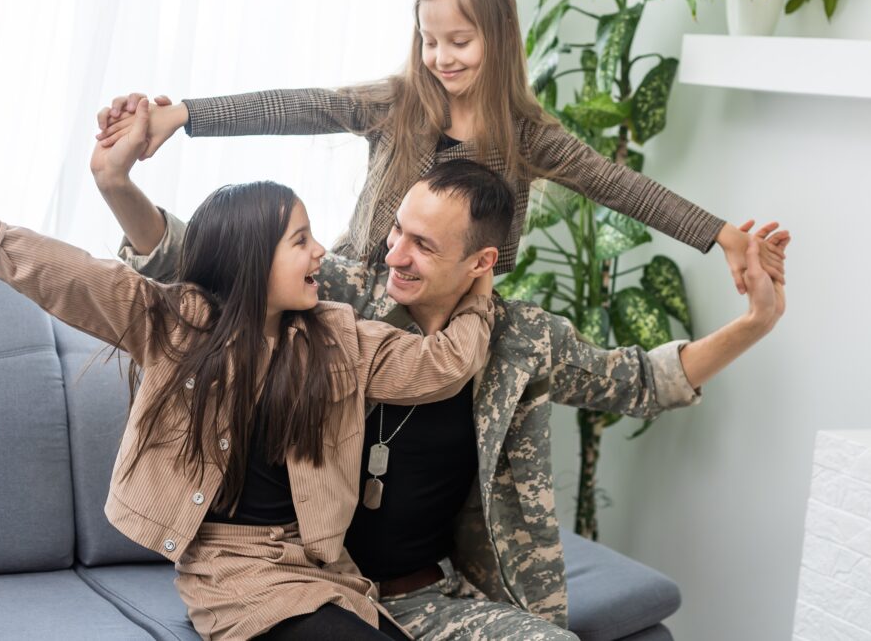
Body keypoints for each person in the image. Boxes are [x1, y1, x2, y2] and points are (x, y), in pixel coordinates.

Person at [108, 155, 787, 640]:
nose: (395, 252)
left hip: (428, 599)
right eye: (397, 228)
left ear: (480, 264)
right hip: (311, 586)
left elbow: (640, 379)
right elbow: (199, 258)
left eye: (422, 244)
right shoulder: (339, 294)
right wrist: (117, 183)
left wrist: (755, 322)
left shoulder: (522, 340)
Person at [0, 99, 498, 641]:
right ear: (253, 256)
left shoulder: (338, 335)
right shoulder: (177, 324)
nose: (321, 251)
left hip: (320, 570)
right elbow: (70, 276)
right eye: (301, 240)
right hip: (230, 574)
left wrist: (478, 290)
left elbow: (441, 367)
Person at [93, 0, 787, 293]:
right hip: (356, 280)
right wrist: (183, 114)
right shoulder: (398, 102)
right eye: (431, 40)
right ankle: (130, 210)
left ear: (499, 38)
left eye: (460, 41)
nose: (441, 57)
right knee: (218, 273)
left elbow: (618, 186)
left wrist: (722, 234)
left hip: (446, 307)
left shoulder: (528, 137)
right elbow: (299, 105)